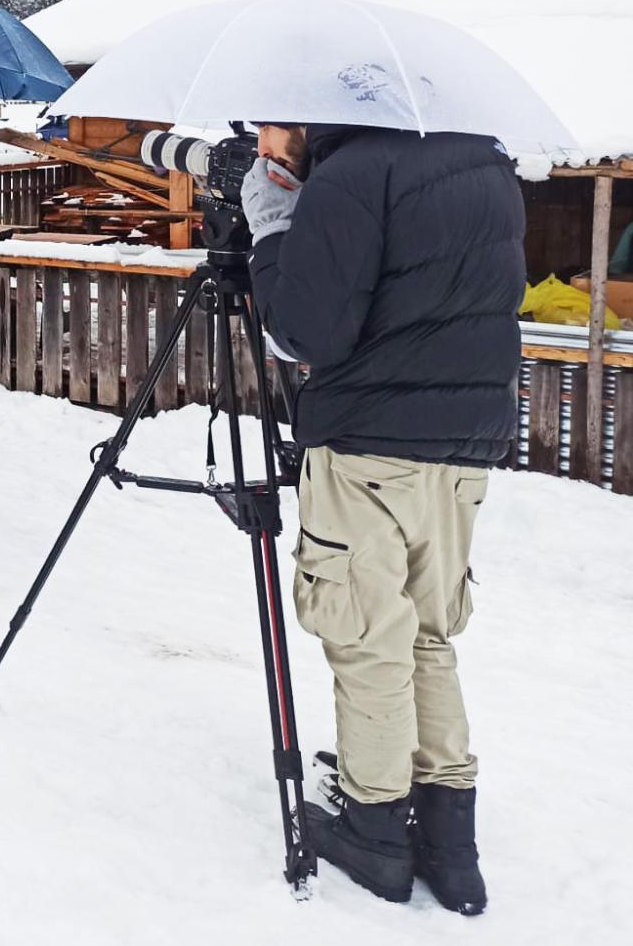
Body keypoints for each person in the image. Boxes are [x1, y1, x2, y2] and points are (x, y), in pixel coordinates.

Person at [241, 121, 523, 915]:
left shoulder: (354, 173)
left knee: (368, 639)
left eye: (274, 124)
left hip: (369, 443)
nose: (267, 138)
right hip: (464, 446)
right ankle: (450, 839)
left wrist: (272, 229)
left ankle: (374, 828)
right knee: (429, 631)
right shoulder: (485, 162)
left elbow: (302, 331)